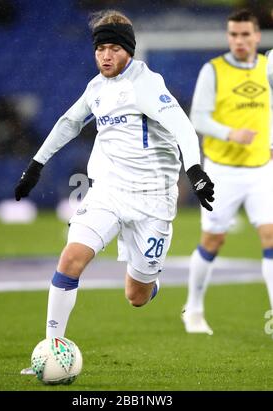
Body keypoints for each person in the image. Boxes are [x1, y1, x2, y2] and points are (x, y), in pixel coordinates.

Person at [15, 10, 214, 374]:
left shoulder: (146, 84)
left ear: (129, 51)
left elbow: (182, 126)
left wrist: (195, 170)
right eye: (100, 48)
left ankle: (149, 279)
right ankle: (50, 347)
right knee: (71, 258)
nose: (105, 56)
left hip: (153, 201)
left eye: (113, 48)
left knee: (136, 297)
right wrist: (36, 165)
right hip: (107, 193)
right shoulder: (97, 88)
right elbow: (69, 123)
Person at [182, 9, 273, 335]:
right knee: (213, 240)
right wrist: (231, 133)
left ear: (257, 36)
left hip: (263, 169)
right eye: (233, 35)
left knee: (271, 238)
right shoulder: (214, 71)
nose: (239, 40)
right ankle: (193, 309)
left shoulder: (268, 67)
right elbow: (198, 119)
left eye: (245, 34)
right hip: (223, 170)